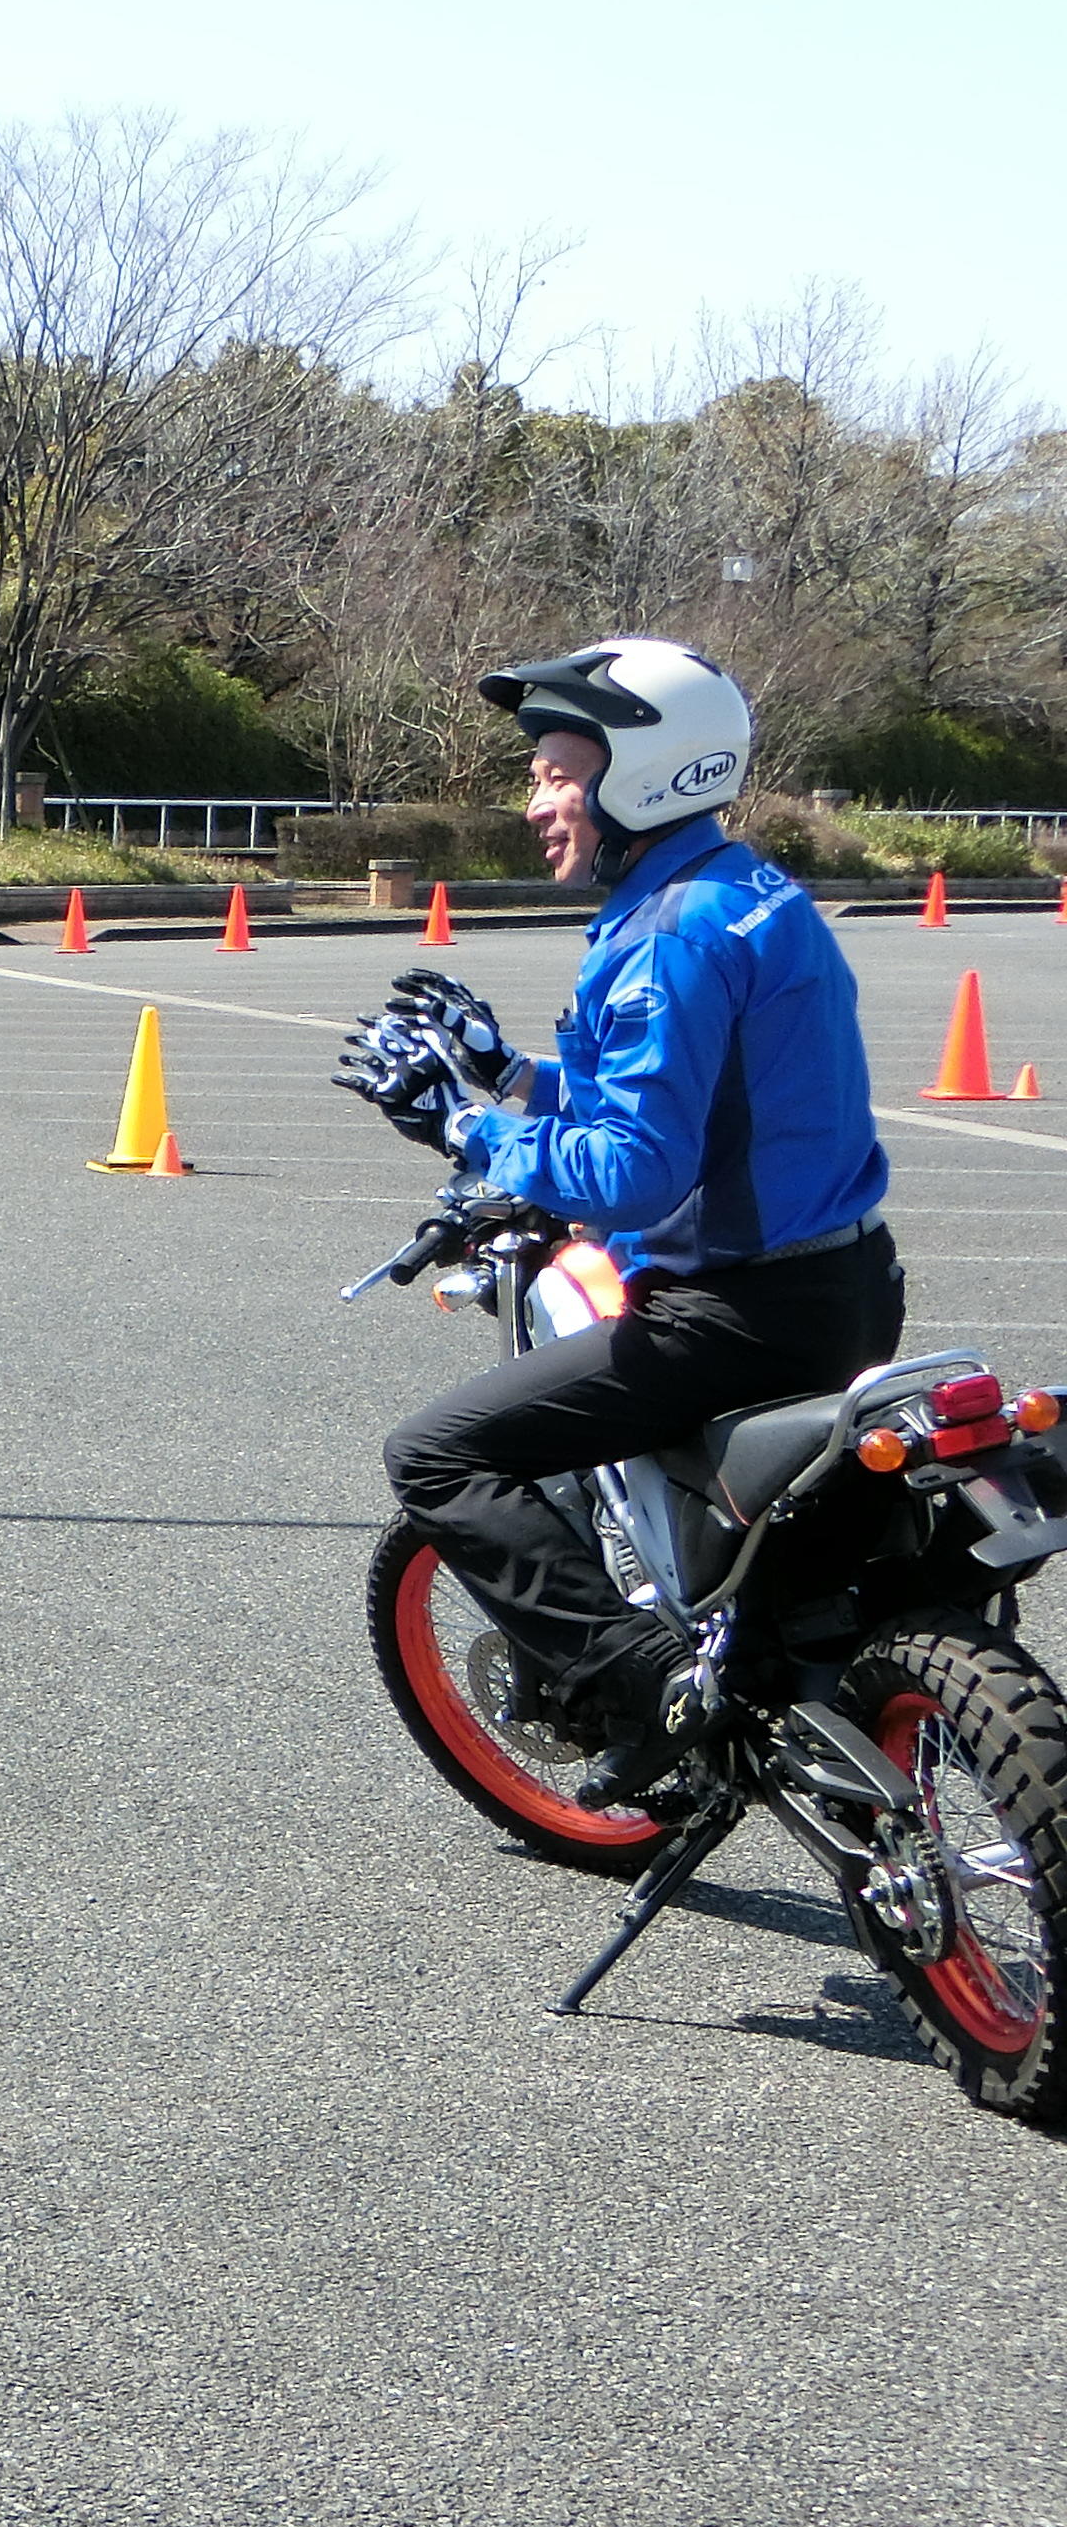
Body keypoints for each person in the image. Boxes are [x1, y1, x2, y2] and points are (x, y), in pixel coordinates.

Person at [349, 636, 894, 1808]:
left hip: (736, 1313)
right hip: (848, 1284)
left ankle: (643, 1686)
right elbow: (694, 1102)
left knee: (435, 1454)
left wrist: (465, 1129)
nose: (536, 800)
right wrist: (507, 1073)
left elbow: (641, 1172)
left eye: (555, 771)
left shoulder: (668, 931)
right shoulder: (744, 894)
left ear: (645, 770)